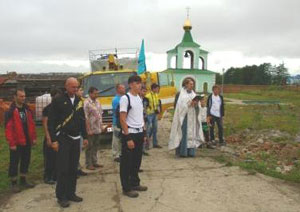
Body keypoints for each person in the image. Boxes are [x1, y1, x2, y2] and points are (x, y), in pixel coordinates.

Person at [48, 77, 88, 208]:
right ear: (66, 86)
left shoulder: (78, 100)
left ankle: (71, 193)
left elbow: (82, 119)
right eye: (73, 87)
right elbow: (51, 121)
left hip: (76, 138)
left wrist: (85, 136)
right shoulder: (58, 100)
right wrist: (53, 140)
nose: (75, 89)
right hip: (64, 138)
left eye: (77, 87)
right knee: (63, 169)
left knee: (73, 169)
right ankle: (62, 196)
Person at [119, 75, 148, 198]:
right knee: (127, 162)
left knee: (137, 161)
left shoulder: (139, 98)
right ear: (130, 84)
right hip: (130, 133)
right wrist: (128, 137)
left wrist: (144, 132)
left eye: (140, 83)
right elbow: (122, 118)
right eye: (136, 83)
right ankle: (126, 188)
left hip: (139, 132)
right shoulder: (126, 98)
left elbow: (140, 116)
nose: (139, 85)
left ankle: (135, 183)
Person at [5, 88, 37, 193]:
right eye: (21, 96)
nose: (23, 98)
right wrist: (11, 142)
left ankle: (23, 180)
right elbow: (8, 128)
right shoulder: (10, 111)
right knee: (14, 162)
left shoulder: (27, 109)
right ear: (15, 97)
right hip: (16, 141)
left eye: (24, 96)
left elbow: (32, 124)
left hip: (27, 140)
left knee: (26, 160)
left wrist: (33, 138)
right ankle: (14, 183)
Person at [169, 78, 204, 157]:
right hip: (184, 117)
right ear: (186, 84)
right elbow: (178, 106)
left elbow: (197, 106)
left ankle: (191, 152)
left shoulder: (193, 94)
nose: (192, 85)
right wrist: (188, 104)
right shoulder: (180, 94)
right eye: (190, 84)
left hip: (192, 117)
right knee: (183, 133)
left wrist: (196, 104)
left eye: (193, 84)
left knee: (192, 134)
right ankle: (182, 152)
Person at [42, 88, 62, 185]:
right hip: (50, 135)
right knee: (49, 158)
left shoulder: (60, 108)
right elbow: (45, 125)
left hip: (59, 135)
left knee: (57, 158)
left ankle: (55, 175)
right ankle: (47, 176)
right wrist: (48, 138)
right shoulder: (47, 109)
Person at [84, 86, 104, 170]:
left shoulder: (98, 102)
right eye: (95, 93)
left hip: (97, 128)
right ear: (90, 93)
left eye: (97, 93)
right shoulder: (86, 103)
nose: (97, 95)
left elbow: (100, 114)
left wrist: (102, 125)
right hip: (91, 128)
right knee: (89, 147)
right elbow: (86, 117)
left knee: (96, 146)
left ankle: (94, 161)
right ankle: (89, 164)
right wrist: (88, 129)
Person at [112, 83, 126, 162]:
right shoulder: (116, 100)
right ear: (118, 90)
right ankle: (115, 155)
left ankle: (120, 153)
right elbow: (117, 113)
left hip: (122, 122)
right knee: (116, 139)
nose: (124, 89)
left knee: (121, 139)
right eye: (122, 88)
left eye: (124, 88)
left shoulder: (124, 98)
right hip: (117, 122)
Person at [145, 83, 162, 148]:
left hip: (155, 114)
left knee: (155, 128)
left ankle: (155, 143)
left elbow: (157, 104)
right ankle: (147, 143)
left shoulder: (156, 95)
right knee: (148, 129)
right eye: (157, 88)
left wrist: (158, 110)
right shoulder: (148, 96)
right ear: (153, 88)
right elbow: (145, 105)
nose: (158, 89)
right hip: (149, 114)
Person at [76, 87, 88, 176]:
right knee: (75, 151)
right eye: (80, 90)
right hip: (75, 130)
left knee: (78, 151)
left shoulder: (82, 101)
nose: (82, 92)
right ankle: (75, 169)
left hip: (80, 129)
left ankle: (78, 168)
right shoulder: (75, 102)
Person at [139, 85, 150, 156]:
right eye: (143, 91)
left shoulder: (146, 99)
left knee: (145, 134)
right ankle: (139, 149)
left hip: (145, 118)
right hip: (139, 119)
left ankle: (143, 149)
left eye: (145, 91)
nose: (144, 92)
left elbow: (146, 108)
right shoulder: (137, 99)